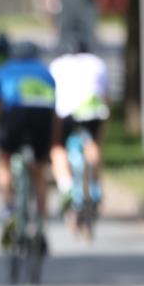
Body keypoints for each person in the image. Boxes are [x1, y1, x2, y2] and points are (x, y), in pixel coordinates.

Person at [0, 41, 58, 254]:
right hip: (42, 116)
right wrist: (53, 146)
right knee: (39, 172)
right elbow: (54, 115)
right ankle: (40, 225)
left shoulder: (3, 71)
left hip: (15, 115)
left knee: (3, 161)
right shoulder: (46, 73)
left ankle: (8, 209)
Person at [48, 37, 110, 214]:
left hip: (67, 112)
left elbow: (52, 97)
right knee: (93, 145)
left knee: (57, 148)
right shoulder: (98, 63)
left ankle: (66, 186)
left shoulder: (57, 64)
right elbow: (107, 96)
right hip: (94, 110)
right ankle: (96, 186)